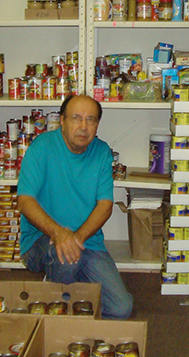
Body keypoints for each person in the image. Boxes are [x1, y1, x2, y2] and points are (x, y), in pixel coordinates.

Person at [17, 94, 133, 319]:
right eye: (76, 118)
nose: (83, 126)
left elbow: (105, 206)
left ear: (97, 124)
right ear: (62, 121)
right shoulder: (42, 147)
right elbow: (24, 201)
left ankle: (69, 289)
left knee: (121, 308)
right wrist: (60, 234)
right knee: (70, 259)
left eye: (91, 120)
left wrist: (76, 237)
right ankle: (53, 294)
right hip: (40, 240)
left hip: (86, 241)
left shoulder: (101, 151)